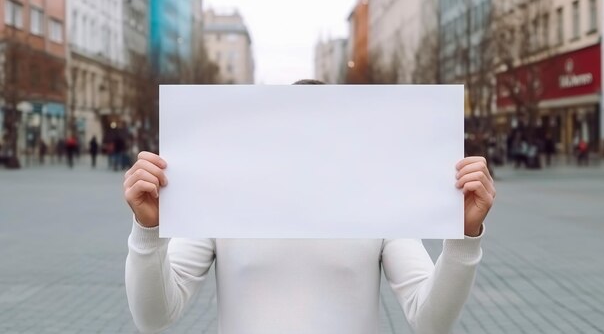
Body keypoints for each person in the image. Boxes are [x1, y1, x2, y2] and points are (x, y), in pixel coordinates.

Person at [124, 82, 496, 333]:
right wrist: (148, 230)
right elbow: (154, 317)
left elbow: (430, 320)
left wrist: (464, 237)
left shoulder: (375, 201)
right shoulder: (226, 201)